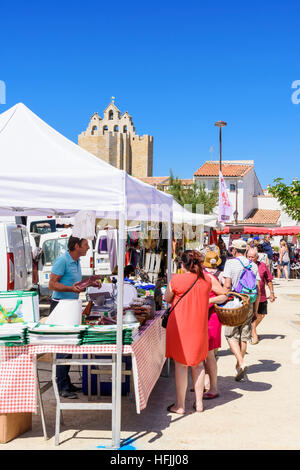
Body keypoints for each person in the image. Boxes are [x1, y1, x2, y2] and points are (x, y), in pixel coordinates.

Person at [164, 250, 211, 414]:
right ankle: (199, 404)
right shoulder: (207, 281)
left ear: (183, 264)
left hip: (180, 327)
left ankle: (180, 405)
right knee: (198, 365)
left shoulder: (176, 280)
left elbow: (166, 298)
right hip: (199, 327)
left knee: (181, 365)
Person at [49, 236, 95, 398]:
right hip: (61, 306)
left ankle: (65, 382)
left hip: (71, 306)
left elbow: (75, 283)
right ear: (76, 246)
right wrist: (70, 289)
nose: (88, 247)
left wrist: (89, 282)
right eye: (85, 245)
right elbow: (52, 284)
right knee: (63, 347)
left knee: (69, 347)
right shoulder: (62, 260)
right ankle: (62, 387)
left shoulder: (76, 261)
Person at [222, 239, 261, 381]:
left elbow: (227, 285)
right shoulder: (253, 265)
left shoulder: (230, 263)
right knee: (244, 336)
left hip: (235, 302)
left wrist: (222, 300)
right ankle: (239, 365)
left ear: (233, 250)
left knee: (230, 335)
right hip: (249, 302)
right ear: (245, 250)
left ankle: (242, 362)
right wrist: (255, 310)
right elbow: (257, 289)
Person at [202, 251, 228, 399]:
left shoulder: (210, 277)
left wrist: (209, 301)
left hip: (211, 318)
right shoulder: (204, 276)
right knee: (202, 355)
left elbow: (225, 295)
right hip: (201, 318)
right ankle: (205, 385)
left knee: (210, 354)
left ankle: (213, 387)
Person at [247, 248, 275, 344]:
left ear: (257, 257)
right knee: (253, 315)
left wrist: (272, 293)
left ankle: (251, 329)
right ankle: (254, 335)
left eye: (252, 257)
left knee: (261, 315)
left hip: (262, 295)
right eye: (248, 257)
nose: (250, 259)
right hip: (249, 296)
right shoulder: (245, 265)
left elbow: (269, 280)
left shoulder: (262, 266)